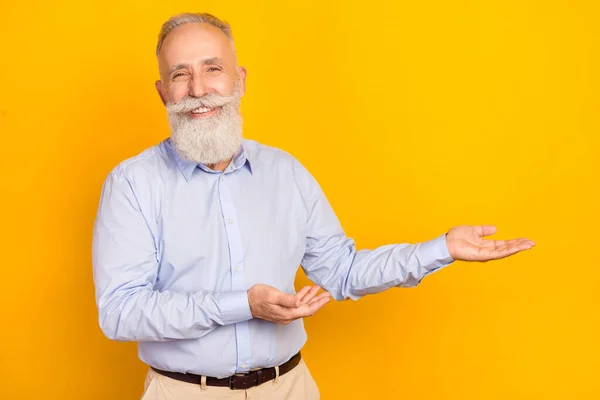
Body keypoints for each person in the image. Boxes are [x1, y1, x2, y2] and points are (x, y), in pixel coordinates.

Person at [91, 12, 535, 400]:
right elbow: (120, 313)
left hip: (290, 388)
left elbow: (340, 272)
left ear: (240, 80)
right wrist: (243, 304)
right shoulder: (132, 184)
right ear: (163, 91)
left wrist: (440, 248)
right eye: (180, 74)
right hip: (184, 393)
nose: (199, 89)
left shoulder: (286, 173)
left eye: (213, 69)